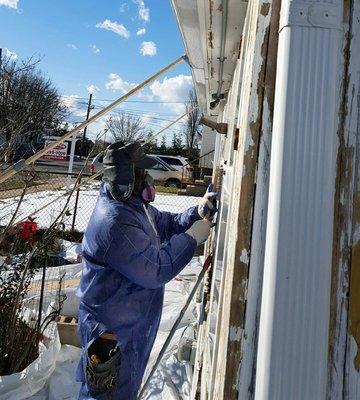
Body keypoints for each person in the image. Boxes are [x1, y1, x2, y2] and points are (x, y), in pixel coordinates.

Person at [76, 141, 217, 399]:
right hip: (109, 335)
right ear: (126, 179)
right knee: (105, 396)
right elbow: (155, 270)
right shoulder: (114, 221)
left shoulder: (134, 208)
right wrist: (191, 239)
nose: (149, 179)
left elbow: (164, 224)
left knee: (124, 392)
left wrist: (195, 214)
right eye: (142, 173)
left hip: (127, 328)